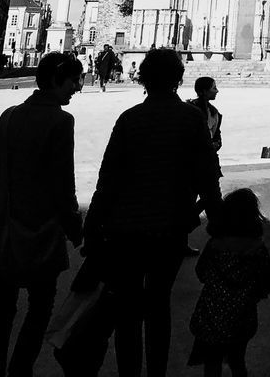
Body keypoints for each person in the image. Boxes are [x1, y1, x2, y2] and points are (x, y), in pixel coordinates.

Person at [83, 46, 223, 377]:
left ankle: (129, 373)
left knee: (128, 310)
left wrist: (91, 229)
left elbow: (107, 182)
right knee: (158, 304)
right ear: (178, 79)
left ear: (143, 78)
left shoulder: (130, 119)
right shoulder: (191, 119)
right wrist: (219, 227)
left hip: (124, 231)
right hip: (169, 229)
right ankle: (156, 372)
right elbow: (208, 179)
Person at [0, 51, 84, 377]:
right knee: (39, 308)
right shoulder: (61, 121)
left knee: (4, 308)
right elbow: (63, 183)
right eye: (73, 80)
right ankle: (20, 370)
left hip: (6, 228)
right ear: (55, 81)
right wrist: (75, 228)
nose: (77, 87)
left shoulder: (9, 114)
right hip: (41, 231)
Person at [188, 188, 270, 377]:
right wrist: (255, 294)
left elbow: (201, 272)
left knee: (212, 361)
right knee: (237, 360)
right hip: (243, 315)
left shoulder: (215, 245)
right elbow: (267, 281)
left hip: (212, 312)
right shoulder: (258, 249)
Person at [188, 77, 224, 156]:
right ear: (204, 91)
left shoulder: (213, 112)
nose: (217, 91)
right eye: (214, 88)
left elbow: (217, 138)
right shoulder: (191, 111)